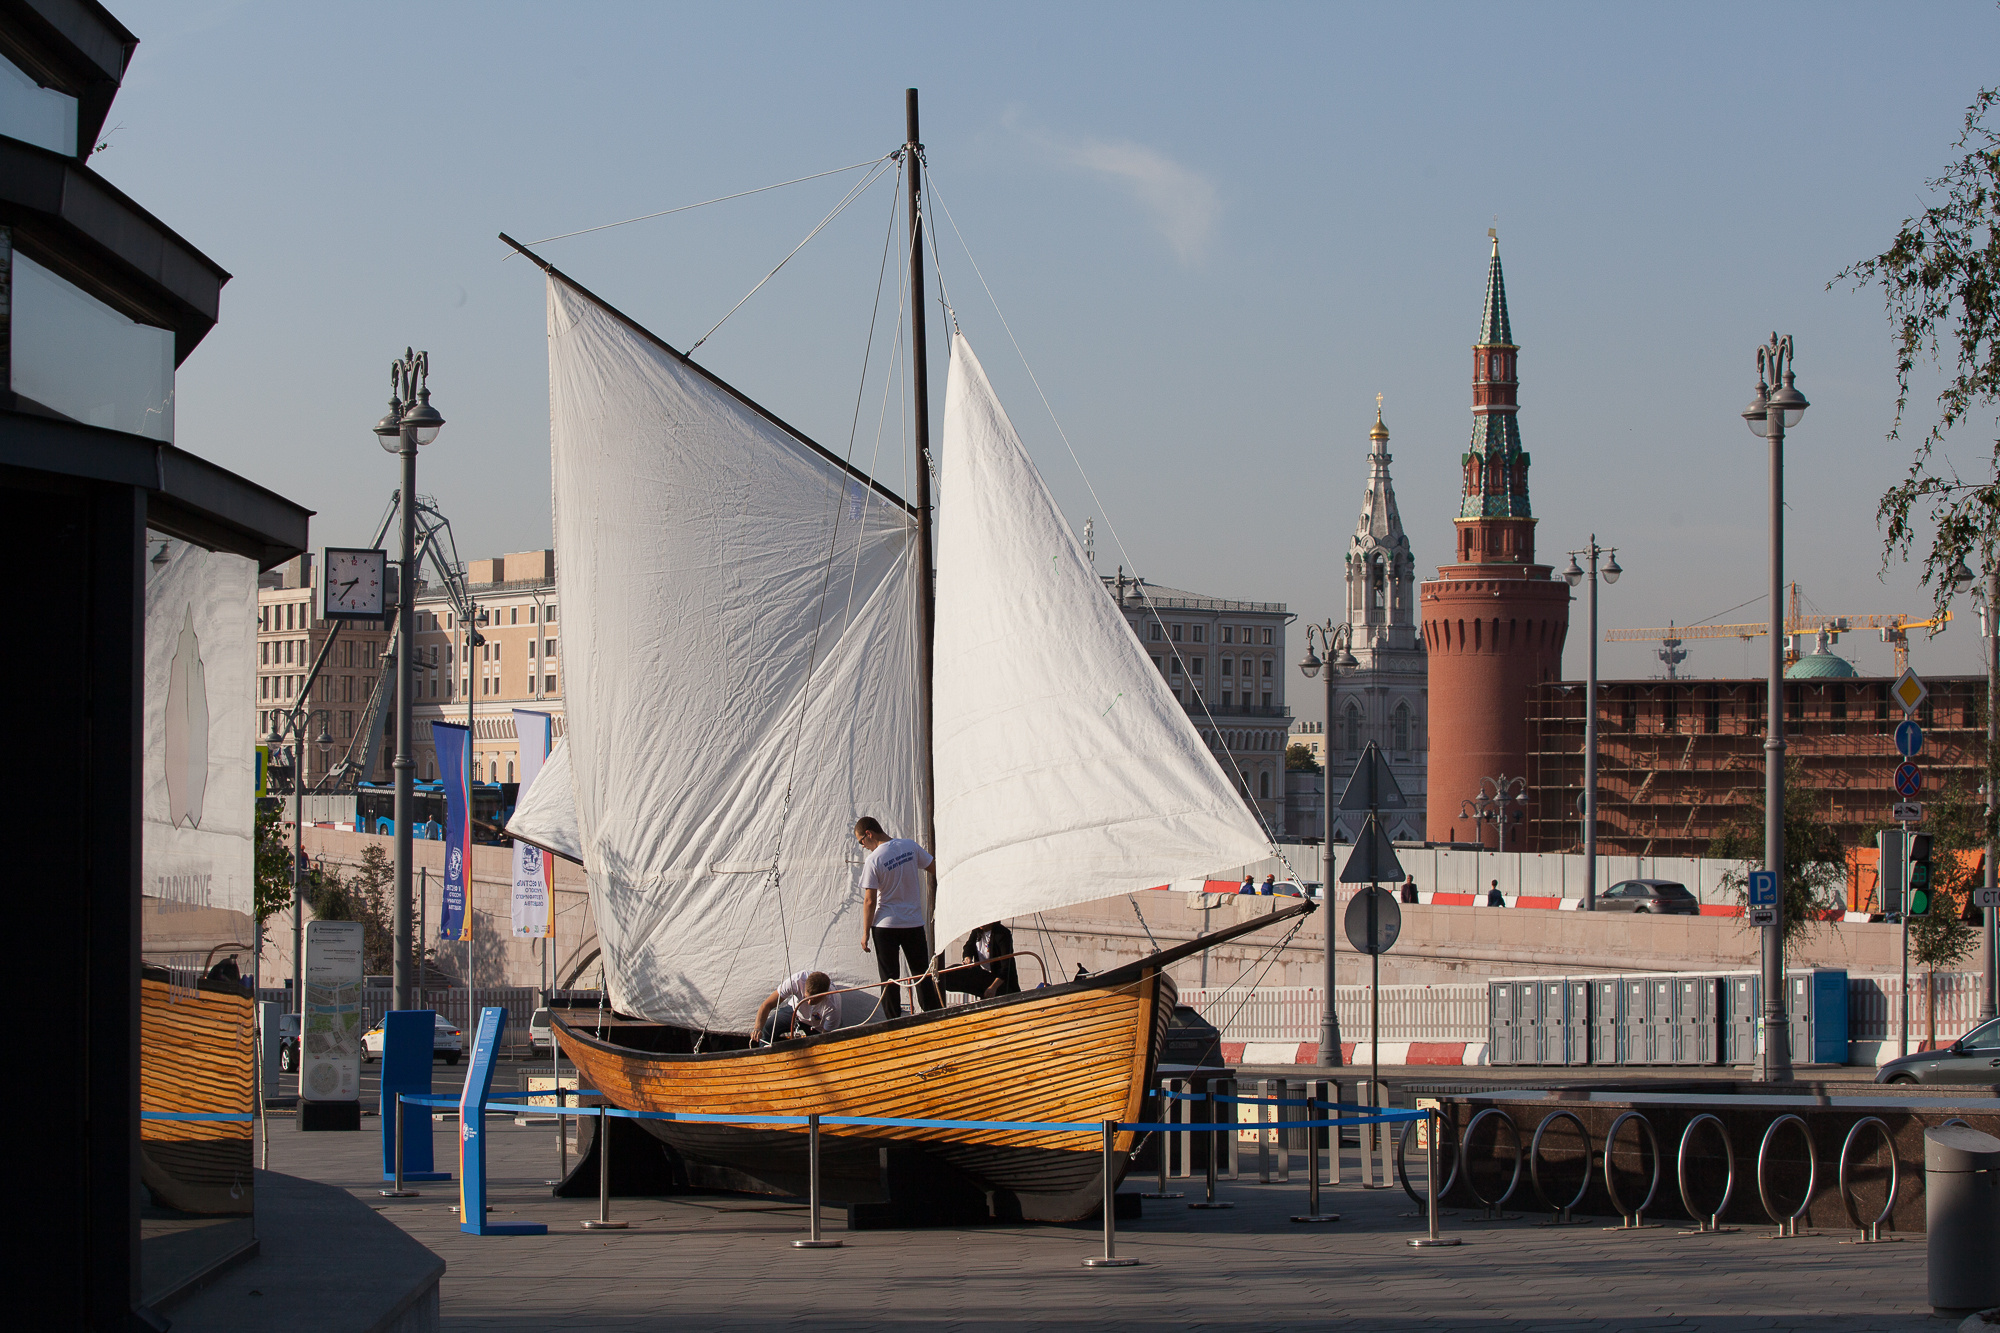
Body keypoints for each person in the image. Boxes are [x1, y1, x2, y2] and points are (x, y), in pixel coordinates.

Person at [856, 816, 941, 1018]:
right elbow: (934, 868)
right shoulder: (910, 846)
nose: (863, 846)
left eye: (861, 842)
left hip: (885, 926)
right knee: (921, 973)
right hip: (913, 923)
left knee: (889, 978)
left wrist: (865, 933)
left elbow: (869, 900)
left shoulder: (874, 859)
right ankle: (934, 1016)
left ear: (869, 834)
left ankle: (893, 1021)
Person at [939, 921, 1020, 1001]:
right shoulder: (976, 931)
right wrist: (967, 958)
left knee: (992, 990)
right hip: (983, 975)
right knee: (947, 975)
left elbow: (1006, 966)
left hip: (1000, 981)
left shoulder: (1002, 934)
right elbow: (968, 947)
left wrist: (993, 987)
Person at [754, 969, 836, 1042]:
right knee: (767, 1028)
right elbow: (767, 1005)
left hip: (817, 1025)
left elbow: (825, 1035)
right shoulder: (796, 981)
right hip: (795, 1011)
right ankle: (765, 1052)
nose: (809, 1002)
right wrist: (757, 1028)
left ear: (823, 996)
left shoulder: (833, 1005)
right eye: (806, 998)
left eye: (814, 1000)